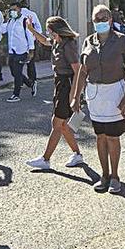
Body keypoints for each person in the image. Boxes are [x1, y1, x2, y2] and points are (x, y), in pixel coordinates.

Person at [71, 4, 125, 193]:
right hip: (95, 95)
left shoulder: (122, 41)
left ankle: (115, 176)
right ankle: (104, 174)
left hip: (115, 92)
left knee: (113, 137)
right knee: (100, 137)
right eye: (97, 19)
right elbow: (83, 72)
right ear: (92, 21)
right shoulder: (88, 42)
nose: (101, 21)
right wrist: (76, 97)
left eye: (104, 17)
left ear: (111, 19)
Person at [24, 16, 85, 169]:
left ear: (55, 30)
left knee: (57, 123)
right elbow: (44, 41)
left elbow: (77, 70)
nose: (48, 33)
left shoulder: (68, 44)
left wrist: (74, 94)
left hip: (66, 84)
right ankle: (77, 154)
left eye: (49, 30)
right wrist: (32, 30)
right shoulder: (57, 42)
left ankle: (45, 159)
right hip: (59, 83)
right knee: (63, 125)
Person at [4, 2, 36, 102]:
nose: (12, 12)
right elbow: (2, 30)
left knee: (17, 72)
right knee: (13, 72)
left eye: (14, 9)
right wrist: (4, 18)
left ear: (19, 9)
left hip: (22, 51)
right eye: (11, 10)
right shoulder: (11, 21)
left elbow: (30, 36)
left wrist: (31, 51)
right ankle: (30, 83)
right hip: (12, 50)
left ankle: (16, 94)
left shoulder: (25, 21)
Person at [19, 0, 41, 90]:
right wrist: (36, 38)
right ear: (28, 5)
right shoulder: (32, 14)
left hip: (20, 42)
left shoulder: (18, 15)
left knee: (18, 63)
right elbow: (38, 28)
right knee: (30, 62)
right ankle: (32, 79)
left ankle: (20, 80)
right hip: (31, 40)